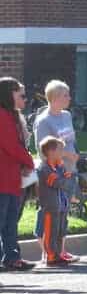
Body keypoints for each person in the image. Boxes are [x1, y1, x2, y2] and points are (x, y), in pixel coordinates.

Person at [33, 80, 80, 263]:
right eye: (65, 95)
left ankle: (61, 250)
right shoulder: (43, 120)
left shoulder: (66, 116)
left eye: (68, 94)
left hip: (69, 170)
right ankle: (46, 251)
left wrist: (73, 156)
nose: (69, 98)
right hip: (52, 173)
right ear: (53, 98)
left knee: (63, 211)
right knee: (48, 211)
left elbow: (70, 141)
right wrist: (67, 155)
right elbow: (42, 148)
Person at [0, 78, 36, 271]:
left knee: (10, 221)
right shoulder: (2, 116)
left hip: (12, 177)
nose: (24, 98)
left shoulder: (12, 116)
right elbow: (11, 145)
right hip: (3, 178)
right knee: (4, 220)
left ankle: (12, 257)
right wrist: (29, 161)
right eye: (20, 94)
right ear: (8, 94)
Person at [35, 136, 73, 266]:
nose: (62, 153)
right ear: (51, 152)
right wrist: (65, 178)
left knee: (58, 231)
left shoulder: (58, 167)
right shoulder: (44, 168)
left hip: (60, 205)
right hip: (50, 206)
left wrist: (64, 176)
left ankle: (57, 254)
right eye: (60, 150)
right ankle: (51, 256)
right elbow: (57, 182)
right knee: (50, 232)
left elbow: (65, 180)